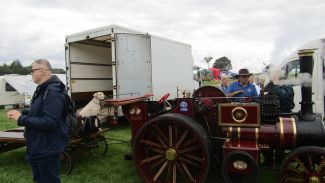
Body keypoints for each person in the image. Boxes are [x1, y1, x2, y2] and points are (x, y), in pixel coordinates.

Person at [7, 59, 69, 183]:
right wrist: (22, 113)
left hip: (47, 148)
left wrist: (21, 119)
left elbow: (50, 122)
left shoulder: (53, 92)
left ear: (42, 71)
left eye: (32, 70)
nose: (31, 74)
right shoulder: (43, 89)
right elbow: (39, 112)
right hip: (38, 145)